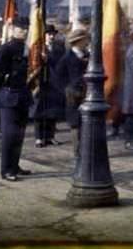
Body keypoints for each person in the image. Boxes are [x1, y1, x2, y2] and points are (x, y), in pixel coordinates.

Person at [0, 17, 33, 181]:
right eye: (21, 29)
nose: (25, 31)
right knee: (9, 135)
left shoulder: (28, 48)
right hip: (9, 96)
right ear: (13, 30)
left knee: (19, 135)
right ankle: (6, 170)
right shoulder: (6, 49)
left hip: (23, 95)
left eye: (26, 28)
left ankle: (15, 165)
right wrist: (1, 91)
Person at [57, 29, 90, 167]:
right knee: (75, 124)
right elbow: (58, 76)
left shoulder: (87, 55)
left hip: (87, 93)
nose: (88, 42)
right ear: (79, 41)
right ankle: (78, 153)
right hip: (73, 94)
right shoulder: (67, 58)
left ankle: (87, 150)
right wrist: (67, 89)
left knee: (88, 123)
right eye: (86, 40)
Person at [31, 24, 66, 148]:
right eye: (48, 34)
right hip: (41, 83)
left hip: (54, 83)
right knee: (39, 112)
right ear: (44, 35)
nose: (51, 36)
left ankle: (50, 136)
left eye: (53, 34)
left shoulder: (59, 48)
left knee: (52, 112)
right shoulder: (38, 48)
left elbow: (62, 64)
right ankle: (39, 137)